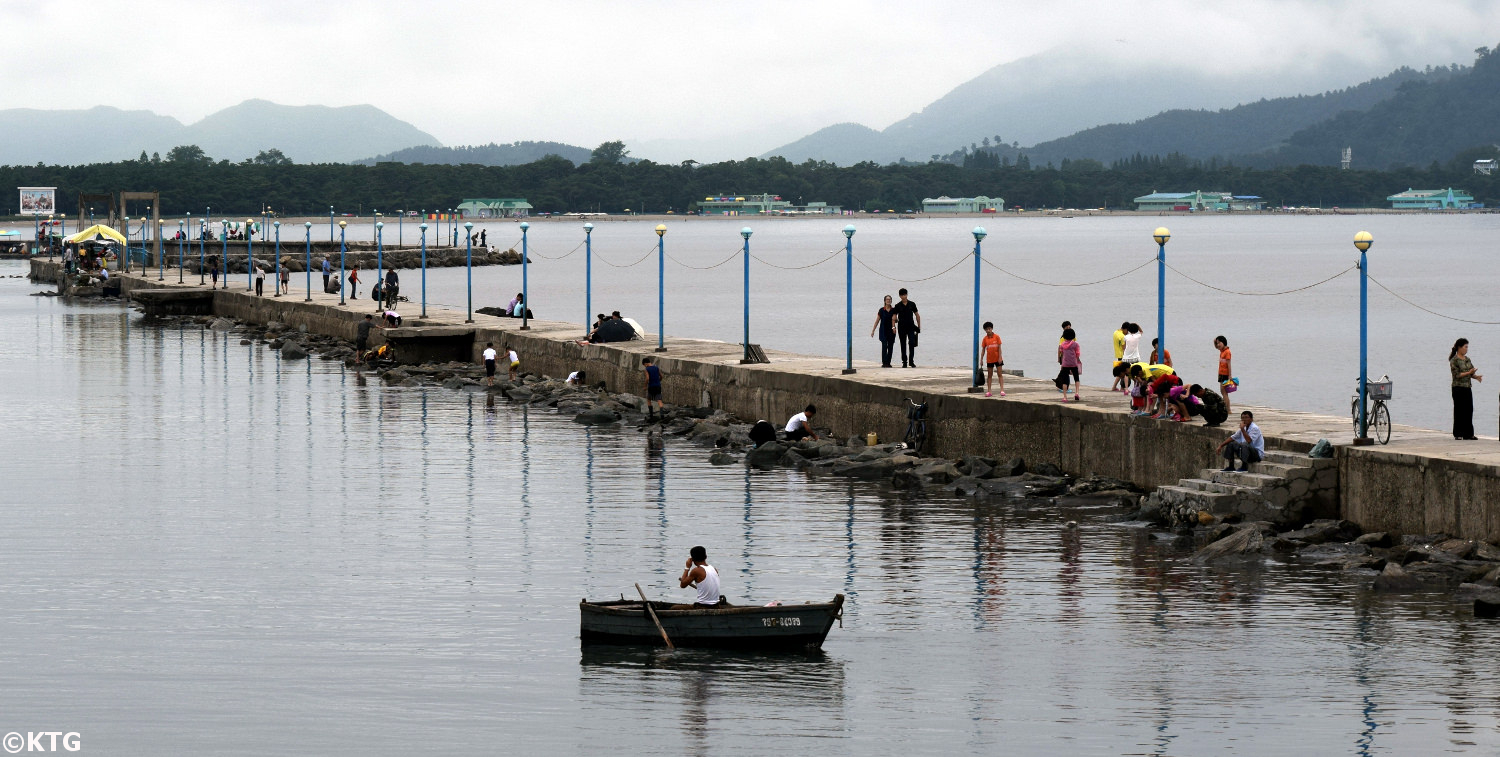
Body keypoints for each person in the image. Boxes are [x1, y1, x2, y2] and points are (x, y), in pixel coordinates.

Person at [1451, 338, 1482, 440]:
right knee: (1459, 410)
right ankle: (1458, 434)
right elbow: (1457, 375)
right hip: (1458, 388)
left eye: (1467, 347)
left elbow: (1470, 372)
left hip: (1467, 388)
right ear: (1459, 347)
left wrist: (1475, 376)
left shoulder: (1467, 359)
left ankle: (1468, 434)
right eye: (1465, 347)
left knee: (1469, 410)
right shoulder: (1454, 360)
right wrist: (1469, 373)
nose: (1467, 349)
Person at [892, 289, 920, 367]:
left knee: (911, 343)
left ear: (907, 295)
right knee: (903, 344)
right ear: (900, 296)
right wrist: (893, 327)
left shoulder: (912, 304)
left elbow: (917, 315)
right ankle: (904, 362)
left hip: (911, 326)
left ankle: (911, 361)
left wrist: (919, 326)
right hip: (901, 327)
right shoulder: (897, 306)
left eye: (905, 295)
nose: (903, 296)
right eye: (902, 295)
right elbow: (894, 317)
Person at [870, 294, 896, 367]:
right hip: (883, 331)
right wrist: (873, 331)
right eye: (887, 299)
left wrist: (894, 325)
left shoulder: (893, 310)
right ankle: (884, 363)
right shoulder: (881, 310)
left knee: (890, 346)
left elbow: (895, 319)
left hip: (891, 331)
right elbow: (877, 321)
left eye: (890, 299)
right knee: (884, 346)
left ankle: (888, 362)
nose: (888, 301)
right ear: (884, 301)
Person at [980, 321, 1004, 397]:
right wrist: (981, 359)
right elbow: (983, 350)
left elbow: (1000, 348)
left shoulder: (997, 337)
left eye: (989, 329)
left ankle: (1002, 390)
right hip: (989, 359)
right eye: (986, 329)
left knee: (999, 374)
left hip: (998, 359)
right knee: (989, 375)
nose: (988, 330)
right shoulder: (985, 339)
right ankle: (989, 391)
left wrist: (1000, 357)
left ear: (992, 329)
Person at [1056, 327, 1081, 401]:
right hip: (1073, 363)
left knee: (1065, 380)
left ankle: (1065, 397)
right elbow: (1078, 353)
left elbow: (1061, 353)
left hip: (1065, 364)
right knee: (1076, 378)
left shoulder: (1062, 345)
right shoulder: (1075, 344)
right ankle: (1076, 393)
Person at [1215, 336, 1233, 412]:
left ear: (1224, 342)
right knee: (1223, 391)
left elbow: (1229, 364)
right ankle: (1227, 408)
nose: (1218, 344)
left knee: (1224, 391)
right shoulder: (1222, 351)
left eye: (1219, 342)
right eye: (1217, 343)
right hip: (1221, 373)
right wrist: (1214, 342)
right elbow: (1216, 347)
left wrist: (1230, 375)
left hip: (1225, 374)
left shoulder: (1227, 352)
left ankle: (1228, 409)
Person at [1111, 322, 1129, 392]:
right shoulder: (1122, 336)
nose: (1127, 333)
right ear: (1126, 329)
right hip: (1123, 355)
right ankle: (1125, 388)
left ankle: (1114, 386)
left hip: (1118, 354)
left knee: (1119, 372)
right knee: (1125, 372)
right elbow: (1124, 347)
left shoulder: (1115, 332)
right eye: (1127, 331)